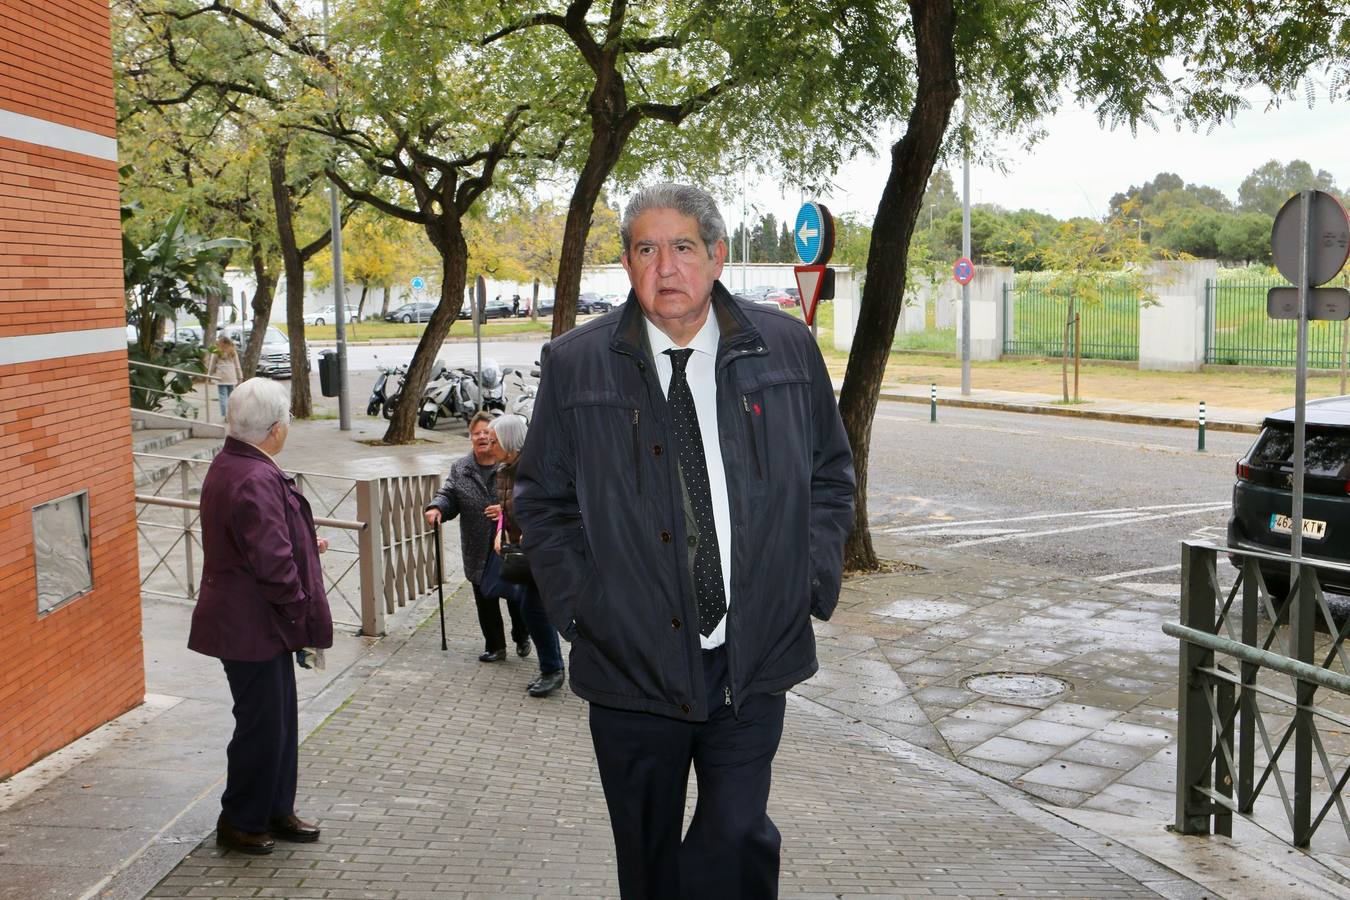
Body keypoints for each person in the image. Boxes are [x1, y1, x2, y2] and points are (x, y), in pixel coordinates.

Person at [514, 183, 855, 899]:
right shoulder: (577, 364)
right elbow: (541, 501)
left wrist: (810, 580)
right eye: (646, 249)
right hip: (631, 668)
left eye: (682, 248)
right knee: (648, 865)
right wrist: (584, 610)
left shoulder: (785, 348)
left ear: (717, 255)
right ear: (628, 263)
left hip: (751, 656)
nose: (665, 267)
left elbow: (830, 474)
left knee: (735, 833)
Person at [188, 377, 333, 855]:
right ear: (275, 429)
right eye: (287, 419)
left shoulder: (235, 463)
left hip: (251, 622)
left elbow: (257, 542)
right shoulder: (254, 475)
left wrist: (303, 547)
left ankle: (273, 808)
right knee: (261, 724)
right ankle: (241, 818)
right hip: (252, 625)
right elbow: (271, 564)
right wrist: (299, 609)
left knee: (277, 720)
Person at [424, 411, 530, 662]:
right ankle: (495, 646)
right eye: (476, 432)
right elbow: (449, 493)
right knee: (484, 596)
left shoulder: (508, 462)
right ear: (470, 437)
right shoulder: (461, 468)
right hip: (475, 542)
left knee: (514, 594)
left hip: (507, 541)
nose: (482, 437)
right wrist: (437, 507)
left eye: (487, 432)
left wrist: (505, 508)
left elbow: (526, 495)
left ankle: (522, 635)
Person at [491, 414, 565, 697]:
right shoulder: (504, 469)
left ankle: (554, 669)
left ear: (510, 442)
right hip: (524, 552)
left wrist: (534, 532)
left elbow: (552, 506)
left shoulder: (535, 469)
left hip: (544, 551)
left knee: (533, 608)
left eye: (495, 441)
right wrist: (500, 530)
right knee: (530, 606)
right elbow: (505, 508)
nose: (490, 445)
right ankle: (552, 668)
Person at [206, 334, 241, 417]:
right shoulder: (233, 352)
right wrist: (240, 376)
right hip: (231, 377)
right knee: (231, 396)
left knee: (222, 396)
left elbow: (212, 366)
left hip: (221, 378)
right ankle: (231, 414)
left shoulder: (216, 352)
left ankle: (225, 414)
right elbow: (237, 365)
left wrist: (209, 376)